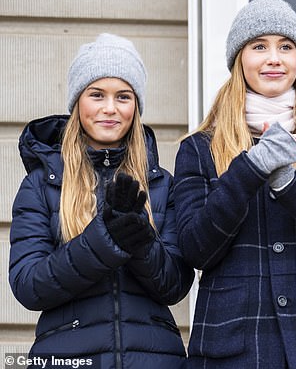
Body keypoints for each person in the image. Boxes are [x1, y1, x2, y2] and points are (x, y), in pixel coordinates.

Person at [174, 0, 296, 369]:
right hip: (233, 348)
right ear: (239, 60)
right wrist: (251, 169)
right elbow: (195, 248)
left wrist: (289, 182)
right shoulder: (200, 148)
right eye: (259, 46)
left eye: (286, 47)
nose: (274, 58)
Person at [9, 33, 194, 368]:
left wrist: (138, 239)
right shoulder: (41, 184)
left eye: (123, 96)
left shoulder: (162, 184)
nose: (110, 109)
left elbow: (175, 285)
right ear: (78, 102)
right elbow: (28, 285)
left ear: (136, 106)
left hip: (155, 360)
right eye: (97, 95)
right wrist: (105, 237)